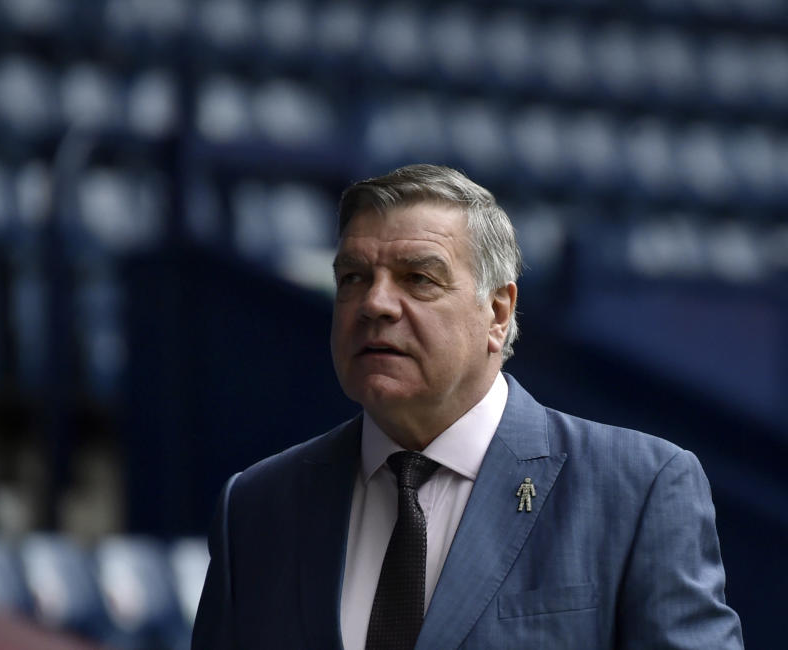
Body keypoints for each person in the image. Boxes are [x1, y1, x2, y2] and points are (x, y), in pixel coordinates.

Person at [192, 164, 743, 649]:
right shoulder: (256, 506)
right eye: (353, 278)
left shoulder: (638, 487)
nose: (375, 303)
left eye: (418, 278)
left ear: (498, 312)